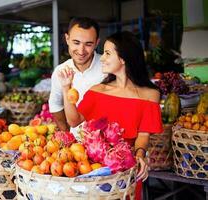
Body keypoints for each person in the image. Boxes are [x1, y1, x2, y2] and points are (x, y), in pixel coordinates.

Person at [58, 31, 163, 200]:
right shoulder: (97, 91)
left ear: (123, 58)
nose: (102, 58)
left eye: (107, 53)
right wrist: (65, 88)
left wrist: (140, 155)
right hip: (95, 170)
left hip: (127, 168)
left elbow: (143, 136)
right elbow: (73, 120)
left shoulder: (150, 95)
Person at [49, 17, 106, 132]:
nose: (81, 51)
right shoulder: (61, 71)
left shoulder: (107, 67)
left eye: (88, 44)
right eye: (76, 42)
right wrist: (66, 135)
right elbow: (55, 105)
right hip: (76, 145)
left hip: (106, 144)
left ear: (97, 43)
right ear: (67, 39)